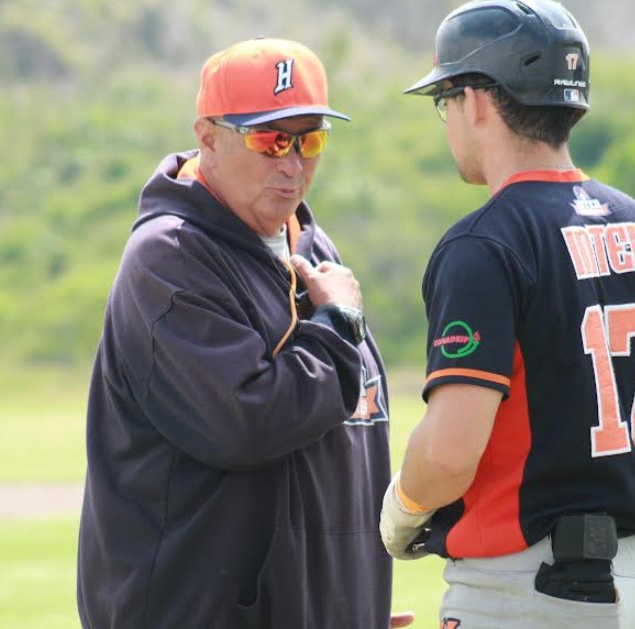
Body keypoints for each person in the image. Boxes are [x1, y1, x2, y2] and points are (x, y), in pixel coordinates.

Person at [379, 1, 635, 628]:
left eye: (446, 99)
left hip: (519, 591)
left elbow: (450, 455)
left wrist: (403, 505)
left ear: (479, 101)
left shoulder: (483, 245)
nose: (448, 118)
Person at [77, 38, 412, 629]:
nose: (292, 162)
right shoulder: (170, 259)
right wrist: (335, 324)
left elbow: (347, 441)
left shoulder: (308, 244)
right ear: (208, 136)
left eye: (310, 139)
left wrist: (346, 603)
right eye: (270, 138)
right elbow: (248, 421)